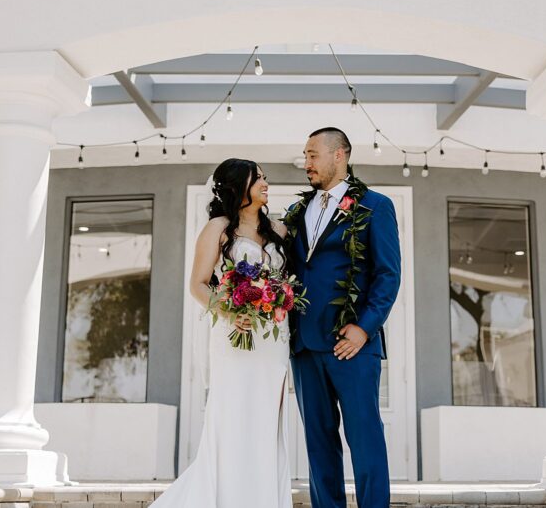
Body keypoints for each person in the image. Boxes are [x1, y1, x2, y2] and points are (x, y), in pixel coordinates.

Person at [150, 158, 292, 508]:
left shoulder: (280, 230)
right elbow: (197, 285)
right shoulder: (217, 228)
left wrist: (279, 296)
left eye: (264, 176)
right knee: (232, 418)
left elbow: (288, 282)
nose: (265, 181)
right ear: (235, 187)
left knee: (265, 422)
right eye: (256, 177)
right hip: (234, 337)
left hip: (272, 340)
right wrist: (230, 311)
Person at [285, 127, 401, 508]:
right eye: (305, 155)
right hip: (304, 344)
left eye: (313, 154)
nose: (306, 164)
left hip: (351, 344)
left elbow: (388, 274)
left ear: (341, 155)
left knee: (365, 438)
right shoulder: (299, 210)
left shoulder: (375, 205)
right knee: (318, 444)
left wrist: (365, 328)